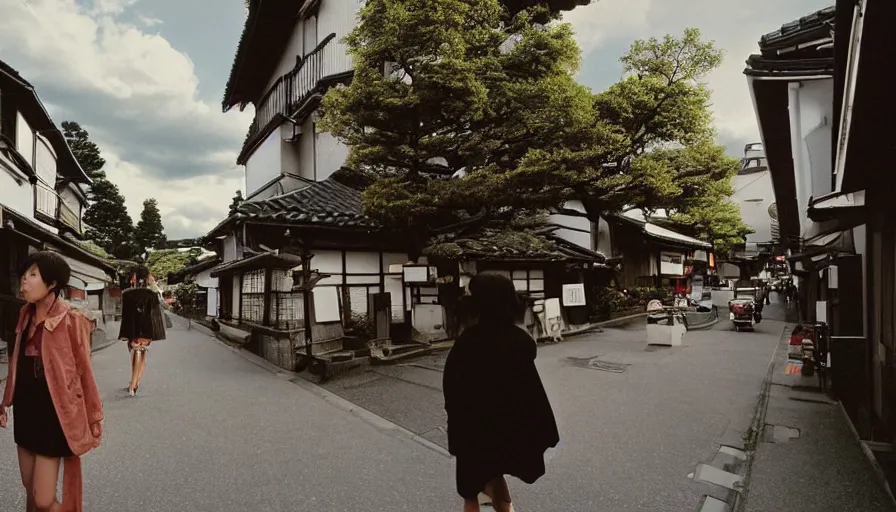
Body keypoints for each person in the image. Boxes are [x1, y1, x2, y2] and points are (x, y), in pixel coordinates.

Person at [443, 273, 560, 512]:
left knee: (470, 489)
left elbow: (452, 388)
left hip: (472, 430)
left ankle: (491, 492)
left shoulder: (467, 342)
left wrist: (454, 422)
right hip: (509, 427)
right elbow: (531, 393)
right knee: (497, 473)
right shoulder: (520, 342)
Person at [0, 251, 103, 512]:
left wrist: (93, 416)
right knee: (31, 491)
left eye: (32, 276)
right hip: (25, 410)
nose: (24, 282)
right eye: (23, 276)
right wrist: (5, 402)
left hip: (54, 413)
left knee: (44, 499)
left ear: (53, 283)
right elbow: (15, 365)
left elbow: (84, 372)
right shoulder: (23, 315)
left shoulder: (72, 320)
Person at [119, 266, 166, 396]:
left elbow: (125, 316)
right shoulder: (152, 295)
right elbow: (157, 313)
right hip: (147, 329)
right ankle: (135, 383)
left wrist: (124, 334)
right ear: (146, 277)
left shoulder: (127, 294)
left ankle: (132, 383)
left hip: (132, 330)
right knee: (143, 354)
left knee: (133, 353)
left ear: (134, 277)